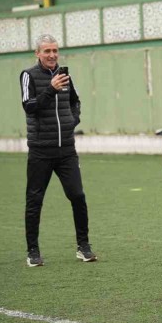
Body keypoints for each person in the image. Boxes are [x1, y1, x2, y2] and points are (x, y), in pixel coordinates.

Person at [20, 34, 96, 267]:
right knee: (35, 200)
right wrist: (51, 89)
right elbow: (29, 106)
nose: (52, 55)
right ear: (38, 53)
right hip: (41, 151)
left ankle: (83, 246)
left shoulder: (66, 76)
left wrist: (72, 121)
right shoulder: (28, 75)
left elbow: (75, 102)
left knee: (78, 196)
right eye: (47, 51)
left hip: (67, 151)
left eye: (55, 50)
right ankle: (33, 251)